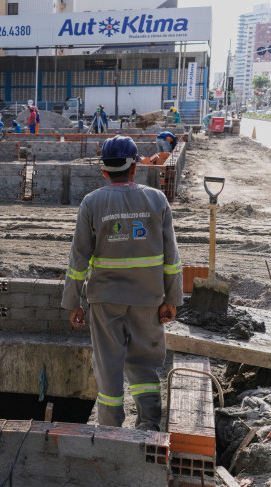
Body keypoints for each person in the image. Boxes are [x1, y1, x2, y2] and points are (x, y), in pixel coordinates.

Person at [61, 135, 183, 431]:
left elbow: (79, 259)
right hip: (149, 297)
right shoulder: (156, 200)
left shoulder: (92, 203)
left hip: (105, 300)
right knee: (145, 362)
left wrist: (72, 302)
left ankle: (110, 429)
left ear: (104, 170)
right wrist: (172, 299)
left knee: (108, 365)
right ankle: (150, 424)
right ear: (135, 167)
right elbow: (172, 257)